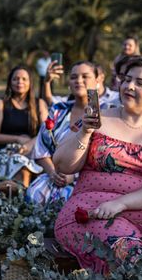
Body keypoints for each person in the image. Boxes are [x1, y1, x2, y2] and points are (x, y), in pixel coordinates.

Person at [53, 58, 142, 272]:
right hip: (90, 213)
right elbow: (63, 165)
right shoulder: (96, 117)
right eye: (126, 80)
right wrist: (85, 132)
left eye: (140, 83)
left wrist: (121, 203)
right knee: (132, 254)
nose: (129, 86)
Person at [26, 61, 99, 205]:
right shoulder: (58, 110)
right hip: (53, 176)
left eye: (85, 76)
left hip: (87, 180)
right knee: (34, 194)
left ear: (97, 81)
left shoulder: (105, 113)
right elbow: (41, 147)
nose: (78, 81)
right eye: (73, 77)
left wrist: (73, 176)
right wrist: (52, 173)